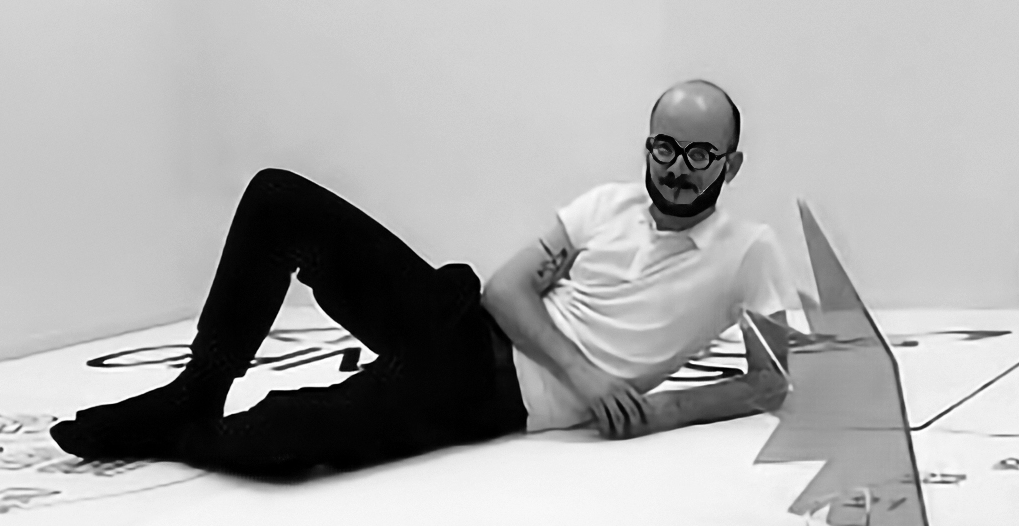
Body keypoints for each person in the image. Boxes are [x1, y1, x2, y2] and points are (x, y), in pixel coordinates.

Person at [50, 79, 795, 478]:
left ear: (731, 165)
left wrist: (658, 411)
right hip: (460, 323)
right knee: (279, 199)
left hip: (485, 396)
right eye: (665, 146)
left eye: (701, 154)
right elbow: (507, 292)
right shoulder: (607, 205)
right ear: (648, 144)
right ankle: (196, 390)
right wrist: (587, 376)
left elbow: (773, 381)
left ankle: (181, 433)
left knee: (271, 445)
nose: (677, 166)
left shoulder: (748, 252)